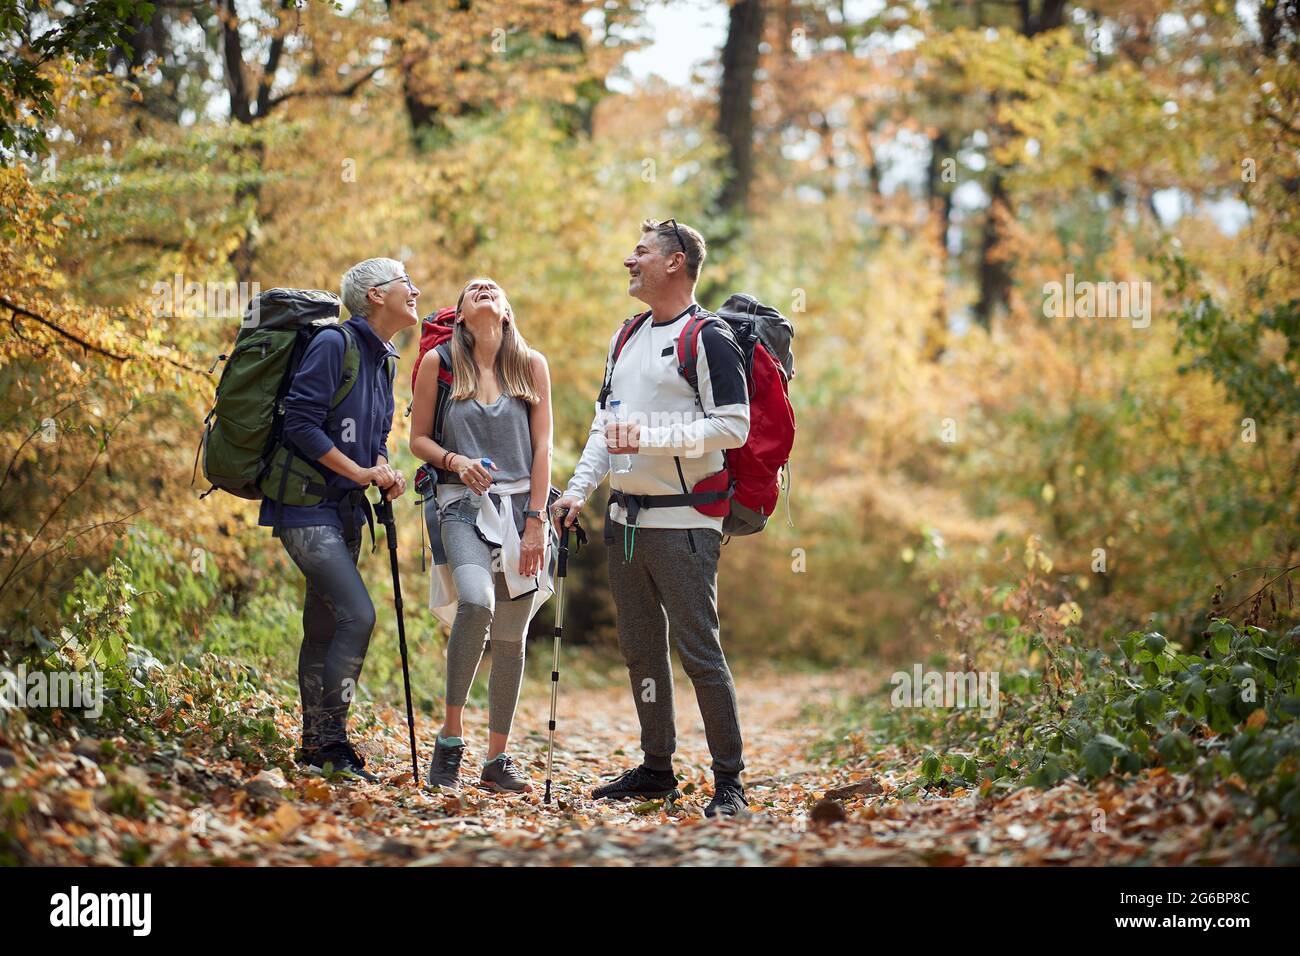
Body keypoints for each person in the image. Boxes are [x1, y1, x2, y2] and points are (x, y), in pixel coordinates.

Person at [553, 218, 752, 817]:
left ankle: (730, 783)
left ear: (675, 262)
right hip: (624, 522)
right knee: (640, 651)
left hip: (686, 522)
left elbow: (733, 426)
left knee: (698, 653)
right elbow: (603, 425)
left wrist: (653, 435)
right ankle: (657, 768)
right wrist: (579, 489)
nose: (628, 261)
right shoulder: (627, 336)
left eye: (639, 252)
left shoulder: (709, 337)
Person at [262, 257, 415, 781]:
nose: (414, 292)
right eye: (405, 284)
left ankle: (313, 745)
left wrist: (384, 472)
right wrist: (359, 471)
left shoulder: (386, 359)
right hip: (304, 504)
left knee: (324, 626)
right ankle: (333, 741)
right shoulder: (335, 344)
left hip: (343, 508)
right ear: (375, 295)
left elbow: (375, 442)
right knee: (359, 615)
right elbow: (300, 424)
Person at [410, 277, 553, 793]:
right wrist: (455, 461)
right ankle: (450, 739)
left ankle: (497, 759)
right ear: (463, 315)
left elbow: (544, 450)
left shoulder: (532, 365)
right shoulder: (439, 364)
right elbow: (417, 439)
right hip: (460, 506)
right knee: (476, 603)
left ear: (507, 311)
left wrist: (537, 521)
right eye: (473, 289)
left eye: (493, 288)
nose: (485, 288)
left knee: (512, 639)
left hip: (523, 514)